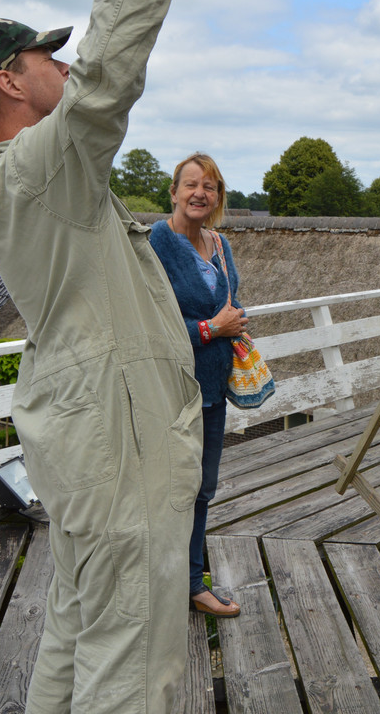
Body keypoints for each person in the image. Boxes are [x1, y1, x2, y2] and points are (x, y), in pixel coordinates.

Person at [0, 0, 203, 712]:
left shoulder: (30, 180)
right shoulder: (32, 170)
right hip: (118, 441)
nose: (60, 64)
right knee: (134, 652)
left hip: (89, 440)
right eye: (42, 54)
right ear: (10, 83)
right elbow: (109, 75)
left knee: (86, 621)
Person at [150, 153, 247, 617]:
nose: (199, 194)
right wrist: (213, 329)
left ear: (218, 197)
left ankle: (189, 583)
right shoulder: (157, 243)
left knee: (203, 489)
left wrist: (236, 324)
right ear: (174, 191)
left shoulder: (220, 243)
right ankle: (167, 581)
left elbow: (230, 301)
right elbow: (149, 326)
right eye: (191, 184)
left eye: (209, 186)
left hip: (212, 388)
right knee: (170, 489)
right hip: (171, 390)